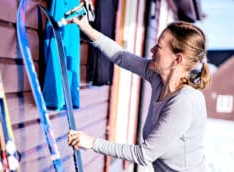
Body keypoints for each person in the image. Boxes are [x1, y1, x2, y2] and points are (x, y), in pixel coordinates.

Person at [67, 15, 211, 172]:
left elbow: (144, 154)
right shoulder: (158, 78)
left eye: (159, 46)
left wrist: (92, 143)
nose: (152, 49)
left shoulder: (183, 103)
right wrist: (87, 28)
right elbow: (122, 57)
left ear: (177, 59)